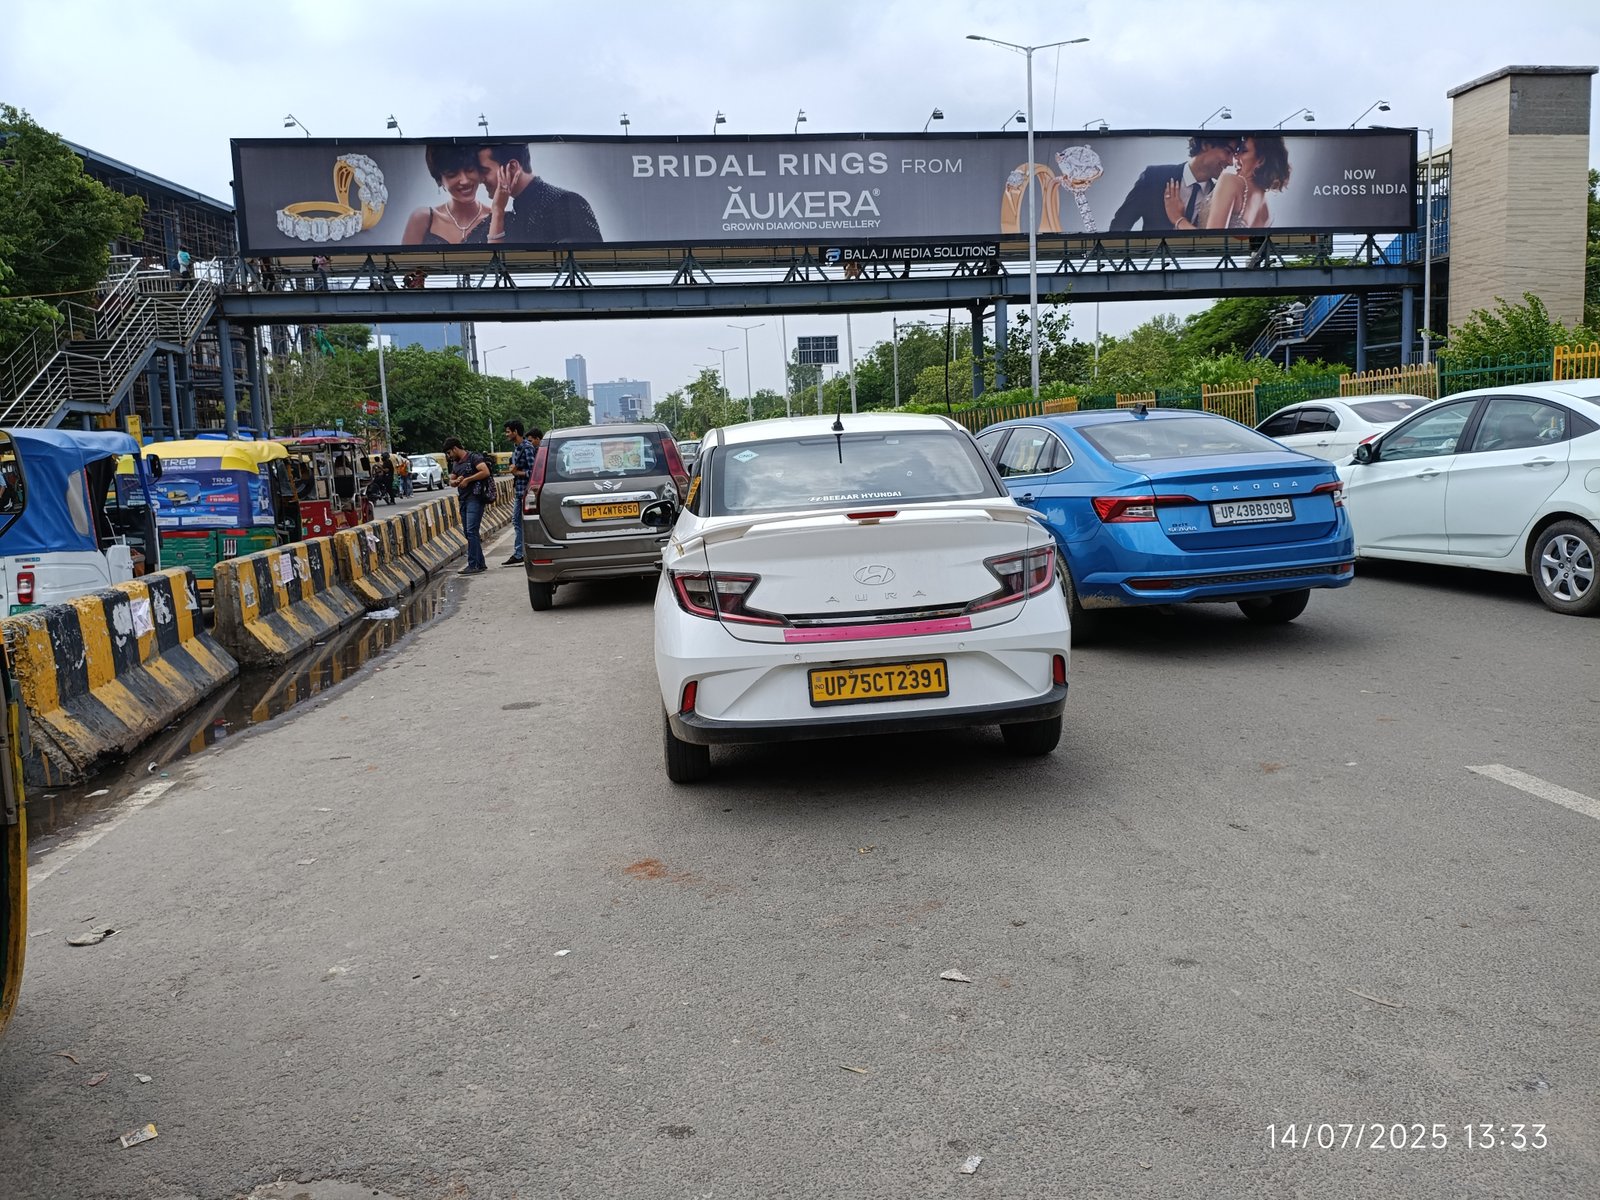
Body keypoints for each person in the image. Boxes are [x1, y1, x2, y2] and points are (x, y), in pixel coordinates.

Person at [479, 142, 602, 246]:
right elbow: (494, 261)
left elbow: (591, 257)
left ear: (512, 167)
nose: (480, 179)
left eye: (485, 171)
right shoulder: (508, 217)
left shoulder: (567, 202)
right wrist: (497, 210)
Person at [1109, 137, 1237, 233]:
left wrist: (1178, 219)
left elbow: (1216, 243)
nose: (1231, 162)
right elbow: (1120, 224)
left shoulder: (1221, 196)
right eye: (1227, 152)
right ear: (1205, 145)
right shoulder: (1154, 177)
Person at [1175, 135, 1291, 231]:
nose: (1235, 157)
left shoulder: (1230, 181)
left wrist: (1178, 219)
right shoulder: (1268, 214)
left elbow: (1214, 239)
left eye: (1243, 151)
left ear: (1260, 160)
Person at [402, 143, 492, 245]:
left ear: (479, 172)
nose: (464, 181)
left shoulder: (498, 217)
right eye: (452, 175)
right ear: (439, 181)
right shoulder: (422, 218)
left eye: (470, 170)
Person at [445, 436, 491, 573]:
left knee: (471, 531)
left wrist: (468, 480)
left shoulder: (473, 458)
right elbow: (451, 480)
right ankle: (480, 563)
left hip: (475, 498)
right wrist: (455, 482)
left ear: (455, 448)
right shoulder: (456, 463)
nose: (449, 456)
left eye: (449, 452)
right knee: (469, 532)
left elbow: (485, 471)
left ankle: (473, 564)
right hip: (464, 499)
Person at [503, 420, 541, 566]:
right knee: (517, 521)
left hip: (527, 492)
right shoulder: (517, 448)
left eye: (508, 431)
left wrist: (517, 472)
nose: (506, 434)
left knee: (524, 522)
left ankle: (522, 552)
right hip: (519, 491)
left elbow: (534, 473)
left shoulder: (527, 448)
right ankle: (520, 552)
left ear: (515, 432)